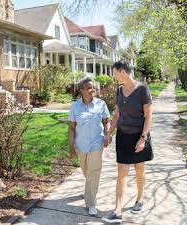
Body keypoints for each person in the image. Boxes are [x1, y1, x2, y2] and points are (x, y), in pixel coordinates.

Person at [102, 60, 154, 223]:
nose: (114, 77)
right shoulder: (119, 90)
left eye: (115, 73)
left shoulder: (142, 89)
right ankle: (117, 210)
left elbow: (148, 116)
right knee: (122, 173)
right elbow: (117, 114)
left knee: (139, 170)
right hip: (123, 136)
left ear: (123, 72)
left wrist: (143, 138)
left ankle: (140, 199)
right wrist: (109, 133)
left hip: (139, 136)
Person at [68, 77, 110, 216]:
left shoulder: (101, 104)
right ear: (81, 91)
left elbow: (106, 121)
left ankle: (91, 203)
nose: (93, 90)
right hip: (81, 146)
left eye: (93, 87)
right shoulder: (75, 106)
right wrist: (71, 147)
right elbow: (72, 128)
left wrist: (107, 134)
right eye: (89, 88)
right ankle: (89, 190)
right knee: (87, 172)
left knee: (94, 172)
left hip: (96, 144)